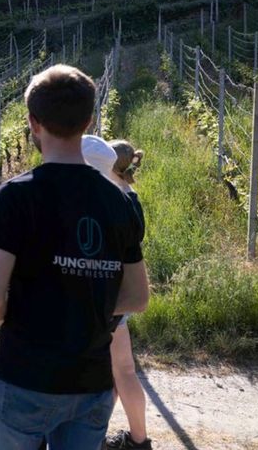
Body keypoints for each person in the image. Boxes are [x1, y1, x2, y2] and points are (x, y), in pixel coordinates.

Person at [0, 64, 150, 450]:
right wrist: (84, 319)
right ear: (88, 121)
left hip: (24, 378)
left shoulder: (17, 195)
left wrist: (38, 319)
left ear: (33, 123)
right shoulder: (121, 201)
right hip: (92, 383)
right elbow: (138, 297)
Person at [104, 140, 151, 450]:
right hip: (126, 290)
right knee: (120, 372)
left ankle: (136, 439)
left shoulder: (113, 198)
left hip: (112, 295)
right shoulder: (131, 196)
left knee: (120, 371)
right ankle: (133, 438)